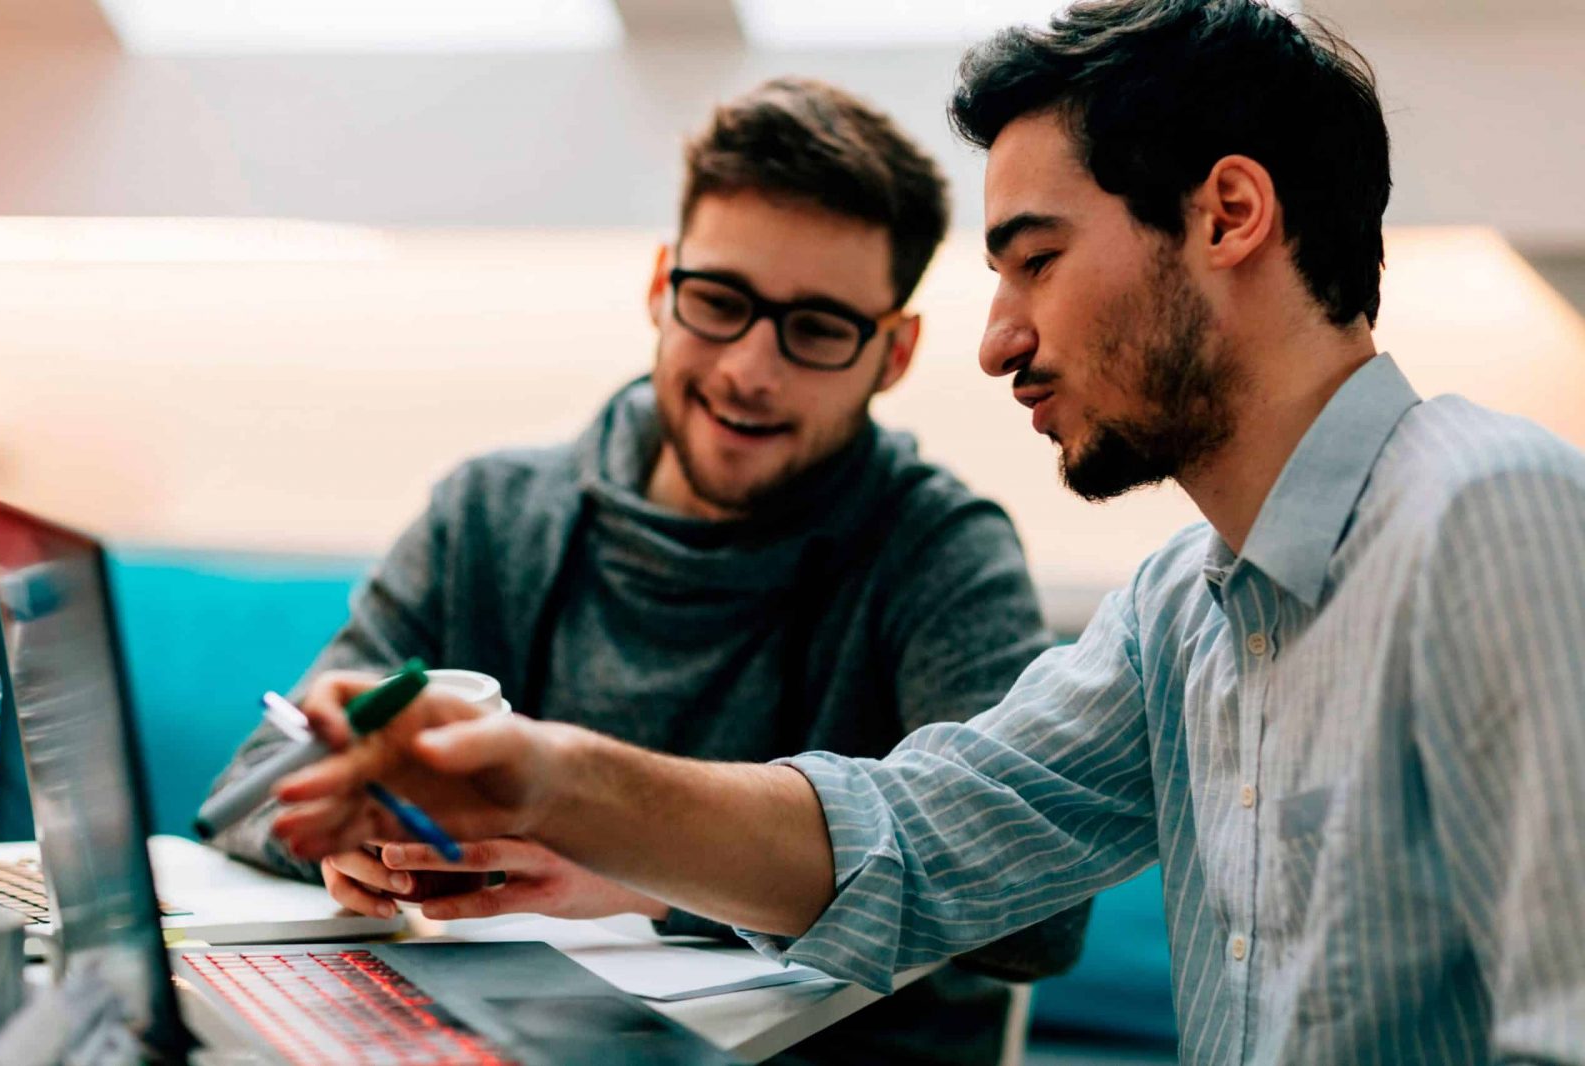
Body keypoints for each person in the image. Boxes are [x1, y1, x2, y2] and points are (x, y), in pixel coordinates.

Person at [268, 2, 1585, 1063]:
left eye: (1037, 261)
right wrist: (548, 777)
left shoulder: (1489, 514)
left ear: (1228, 215)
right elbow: (915, 834)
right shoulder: (1182, 606)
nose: (1003, 338)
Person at [206, 77, 1090, 1065]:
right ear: (661, 285)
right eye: (718, 302)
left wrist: (648, 879)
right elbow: (253, 782)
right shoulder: (492, 515)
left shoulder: (939, 552)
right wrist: (351, 837)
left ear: (892, 353)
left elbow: (1036, 911)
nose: (751, 368)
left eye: (818, 328)